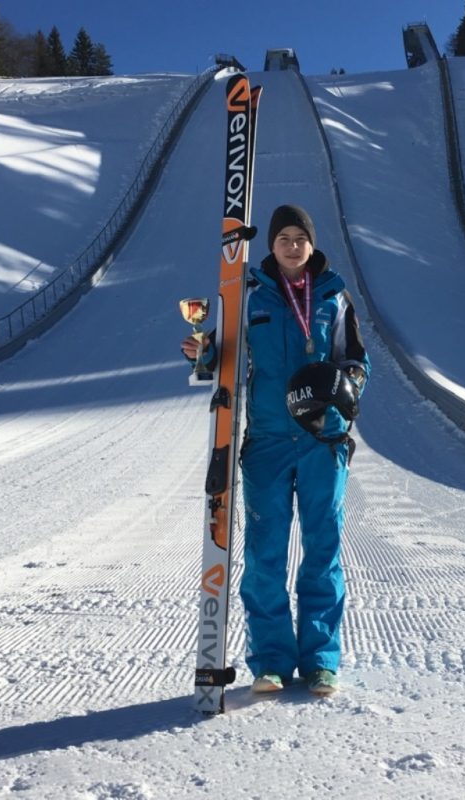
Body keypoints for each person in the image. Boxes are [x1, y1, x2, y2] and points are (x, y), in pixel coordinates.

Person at [181, 204, 370, 696]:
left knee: (322, 551)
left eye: (299, 238)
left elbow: (356, 359)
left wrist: (348, 388)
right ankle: (270, 661)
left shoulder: (334, 295)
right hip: (265, 440)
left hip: (321, 440)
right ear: (271, 245)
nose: (291, 245)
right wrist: (201, 350)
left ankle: (321, 661)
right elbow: (221, 354)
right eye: (283, 237)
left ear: (312, 244)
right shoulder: (249, 293)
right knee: (264, 553)